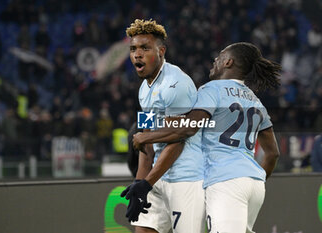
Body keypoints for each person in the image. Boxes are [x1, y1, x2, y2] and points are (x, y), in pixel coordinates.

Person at [133, 42, 281, 233]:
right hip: (255, 184)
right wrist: (256, 178)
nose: (215, 60)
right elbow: (273, 154)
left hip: (225, 180)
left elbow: (188, 128)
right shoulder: (255, 100)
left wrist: (146, 137)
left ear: (228, 62)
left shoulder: (212, 90)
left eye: (220, 56)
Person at [120, 19, 205, 233]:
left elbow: (176, 141)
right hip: (158, 177)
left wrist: (147, 183)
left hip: (185, 179)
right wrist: (140, 185)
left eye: (145, 48)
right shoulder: (144, 89)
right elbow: (146, 145)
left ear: (161, 51)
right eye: (133, 49)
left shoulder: (175, 85)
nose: (137, 54)